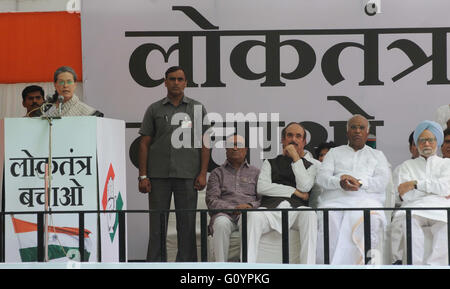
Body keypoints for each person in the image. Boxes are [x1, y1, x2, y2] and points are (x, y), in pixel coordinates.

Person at [138, 66, 210, 262]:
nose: (176, 83)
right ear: (165, 82)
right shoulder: (154, 109)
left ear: (186, 83)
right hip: (158, 176)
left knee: (186, 225)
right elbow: (144, 144)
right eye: (172, 79)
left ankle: (186, 267)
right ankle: (154, 265)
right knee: (157, 224)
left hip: (188, 175)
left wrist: (203, 173)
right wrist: (143, 175)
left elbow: (205, 142)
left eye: (180, 79)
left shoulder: (196, 108)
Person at [316, 114, 391, 265]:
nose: (357, 131)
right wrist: (340, 182)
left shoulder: (377, 155)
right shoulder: (334, 153)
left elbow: (382, 181)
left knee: (371, 218)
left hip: (366, 200)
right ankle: (330, 265)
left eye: (361, 128)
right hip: (336, 200)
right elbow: (322, 178)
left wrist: (360, 183)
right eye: (353, 127)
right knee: (328, 216)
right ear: (347, 132)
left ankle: (364, 265)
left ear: (367, 133)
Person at [246, 122, 319, 264]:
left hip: (296, 210)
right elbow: (262, 187)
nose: (294, 139)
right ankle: (248, 269)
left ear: (304, 142)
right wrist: (293, 191)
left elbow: (305, 187)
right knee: (254, 215)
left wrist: (296, 158)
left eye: (299, 136)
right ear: (283, 140)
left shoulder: (310, 166)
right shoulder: (270, 162)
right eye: (290, 135)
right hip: (271, 209)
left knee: (310, 214)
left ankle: (308, 267)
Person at [393, 121, 450, 265]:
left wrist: (415, 184)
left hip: (441, 208)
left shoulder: (446, 164)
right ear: (417, 144)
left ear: (437, 142)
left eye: (430, 140)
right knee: (410, 223)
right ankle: (415, 267)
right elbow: (405, 195)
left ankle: (436, 267)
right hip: (414, 208)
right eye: (422, 140)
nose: (426, 144)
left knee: (445, 226)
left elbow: (445, 188)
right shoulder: (406, 166)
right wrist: (433, 190)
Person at [205, 133, 261, 262]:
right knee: (220, 224)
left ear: (246, 150)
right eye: (231, 145)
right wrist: (234, 208)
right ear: (226, 150)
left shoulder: (256, 172)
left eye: (238, 145)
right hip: (224, 214)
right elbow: (211, 201)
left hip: (248, 214)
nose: (235, 148)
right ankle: (221, 266)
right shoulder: (216, 173)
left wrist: (250, 207)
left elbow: (263, 200)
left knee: (250, 221)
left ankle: (246, 267)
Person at [390, 130, 421, 264]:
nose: (420, 147)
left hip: (434, 208)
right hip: (408, 208)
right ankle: (398, 262)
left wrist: (414, 187)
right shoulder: (401, 168)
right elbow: (397, 196)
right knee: (400, 222)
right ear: (410, 148)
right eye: (415, 144)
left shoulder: (440, 165)